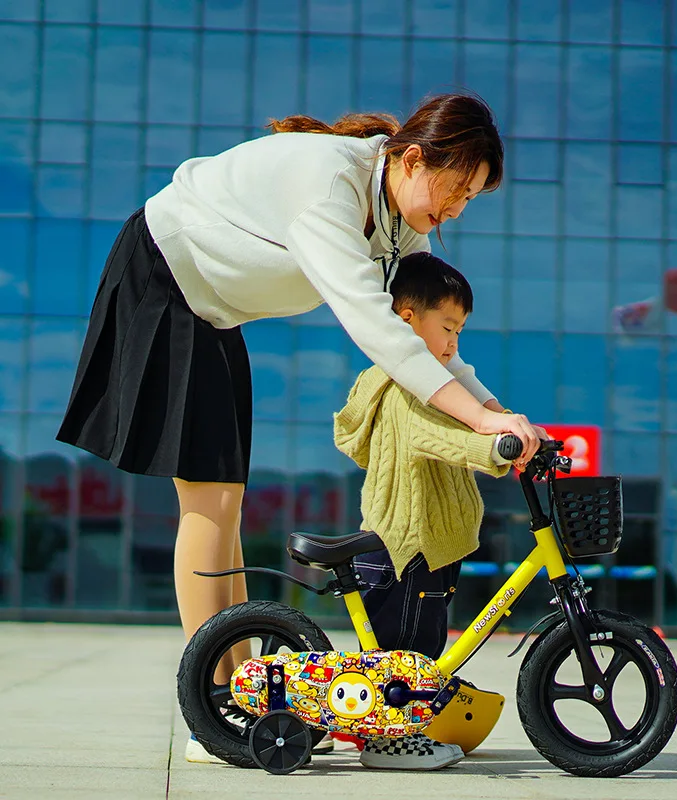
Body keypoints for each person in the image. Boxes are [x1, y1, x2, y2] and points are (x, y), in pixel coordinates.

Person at [55, 92, 545, 763]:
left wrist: (501, 414)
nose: (457, 209)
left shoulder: (406, 229)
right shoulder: (328, 182)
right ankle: (215, 713)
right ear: (411, 160)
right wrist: (483, 420)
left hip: (214, 314)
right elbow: (379, 332)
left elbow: (435, 346)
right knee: (208, 502)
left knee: (224, 501)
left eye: (472, 199)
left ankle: (245, 697)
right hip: (165, 282)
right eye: (457, 188)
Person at [333, 252, 527, 770]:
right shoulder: (403, 387)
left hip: (423, 546)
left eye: (460, 333)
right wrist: (495, 449)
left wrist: (516, 428)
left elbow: (466, 417)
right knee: (406, 654)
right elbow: (439, 437)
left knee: (414, 647)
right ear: (406, 319)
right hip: (407, 547)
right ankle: (389, 742)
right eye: (447, 327)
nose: (453, 344)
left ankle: (381, 724)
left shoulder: (427, 384)